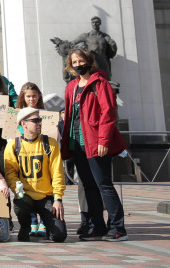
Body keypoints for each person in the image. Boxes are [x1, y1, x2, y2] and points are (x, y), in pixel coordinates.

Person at [61, 48, 127, 242]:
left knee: (104, 185)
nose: (78, 64)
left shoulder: (100, 84)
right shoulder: (71, 86)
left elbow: (108, 114)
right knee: (89, 187)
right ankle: (97, 226)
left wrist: (103, 141)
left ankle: (117, 228)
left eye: (81, 61)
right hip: (77, 143)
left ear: (89, 61)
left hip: (96, 143)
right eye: (74, 62)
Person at [5, 107, 67, 243]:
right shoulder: (13, 146)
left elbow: (58, 173)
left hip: (46, 197)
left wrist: (58, 199)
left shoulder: (50, 143)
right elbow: (10, 173)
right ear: (23, 123)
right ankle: (25, 227)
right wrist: (16, 188)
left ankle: (49, 228)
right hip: (26, 196)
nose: (39, 123)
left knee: (59, 236)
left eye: (40, 119)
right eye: (35, 120)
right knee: (19, 203)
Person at [15, 81, 46, 236]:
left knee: (43, 188)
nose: (31, 99)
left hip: (42, 153)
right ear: (23, 97)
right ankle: (32, 221)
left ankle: (43, 221)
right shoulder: (18, 113)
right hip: (24, 154)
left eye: (34, 96)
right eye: (28, 96)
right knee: (25, 187)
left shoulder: (44, 113)